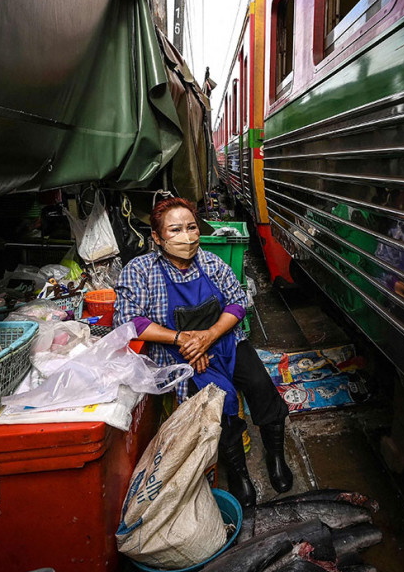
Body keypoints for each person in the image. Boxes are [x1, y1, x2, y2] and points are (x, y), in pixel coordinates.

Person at [113, 197, 291, 506]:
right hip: (179, 353)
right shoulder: (140, 270)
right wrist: (182, 340)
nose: (186, 236)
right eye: (175, 230)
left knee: (261, 386)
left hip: (224, 342)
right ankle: (239, 474)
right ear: (157, 237)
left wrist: (209, 336)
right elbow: (130, 320)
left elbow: (238, 302)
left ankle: (276, 458)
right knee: (219, 403)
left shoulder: (211, 263)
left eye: (192, 227)